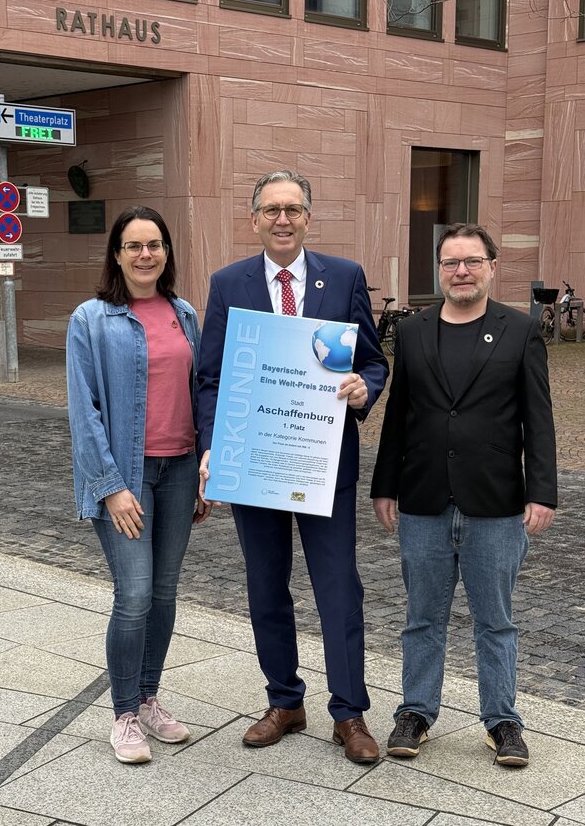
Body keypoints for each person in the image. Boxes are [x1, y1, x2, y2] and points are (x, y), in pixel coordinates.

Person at [197, 170, 389, 764]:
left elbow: (375, 363)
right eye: (272, 209)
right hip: (255, 461)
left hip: (325, 464)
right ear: (254, 218)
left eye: (294, 209)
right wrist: (212, 445)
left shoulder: (346, 277)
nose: (283, 219)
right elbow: (208, 378)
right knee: (265, 587)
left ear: (309, 216)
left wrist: (363, 391)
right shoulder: (228, 284)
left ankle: (349, 712)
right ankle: (284, 700)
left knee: (338, 589)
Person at [371, 223, 557, 768]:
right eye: (451, 263)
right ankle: (415, 712)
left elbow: (538, 421)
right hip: (423, 500)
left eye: (472, 262)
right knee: (421, 616)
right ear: (439, 270)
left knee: (495, 619)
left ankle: (502, 721)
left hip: (496, 503)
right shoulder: (412, 332)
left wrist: (541, 491)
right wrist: (384, 485)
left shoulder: (521, 332)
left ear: (492, 267)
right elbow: (398, 418)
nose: (461, 272)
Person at [67, 205, 207, 764]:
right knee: (134, 595)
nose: (145, 254)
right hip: (127, 478)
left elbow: (201, 394)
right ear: (117, 255)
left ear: (167, 253)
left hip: (178, 470)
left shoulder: (184, 313)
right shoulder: (91, 319)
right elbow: (85, 411)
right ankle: (123, 712)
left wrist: (203, 468)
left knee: (165, 593)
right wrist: (110, 486)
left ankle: (149, 696)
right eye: (134, 246)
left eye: (154, 245)